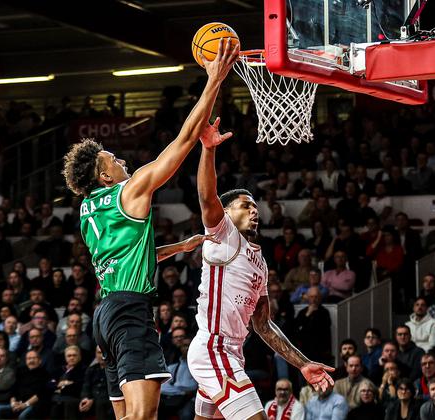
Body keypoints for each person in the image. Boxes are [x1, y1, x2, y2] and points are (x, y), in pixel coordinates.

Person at [63, 38, 238, 420]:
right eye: (113, 158)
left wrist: (177, 248)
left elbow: (125, 255)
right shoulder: (131, 188)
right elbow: (182, 141)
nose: (121, 159)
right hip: (129, 311)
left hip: (104, 316)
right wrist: (213, 80)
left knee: (127, 417)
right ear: (104, 173)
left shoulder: (87, 210)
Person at [188, 122, 334, 419]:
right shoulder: (222, 234)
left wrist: (303, 363)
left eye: (255, 207)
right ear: (227, 213)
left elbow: (264, 325)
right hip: (214, 349)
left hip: (233, 353)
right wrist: (208, 149)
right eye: (245, 206)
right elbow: (207, 197)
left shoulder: (260, 262)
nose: (254, 211)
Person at [49, 345, 84, 420]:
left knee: (66, 405)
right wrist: (67, 383)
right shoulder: (59, 370)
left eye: (74, 355)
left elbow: (77, 387)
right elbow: (50, 384)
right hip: (56, 399)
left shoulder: (83, 370)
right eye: (69, 356)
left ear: (79, 356)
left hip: (73, 398)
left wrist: (59, 387)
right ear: (65, 358)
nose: (71, 358)